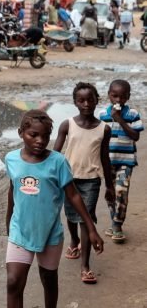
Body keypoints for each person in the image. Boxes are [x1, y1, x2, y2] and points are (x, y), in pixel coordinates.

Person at [0, 110, 104, 308]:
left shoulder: (58, 162)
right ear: (21, 134)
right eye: (33, 135)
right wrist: (9, 222)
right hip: (20, 231)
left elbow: (72, 195)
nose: (39, 140)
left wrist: (90, 227)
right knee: (14, 281)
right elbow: (12, 189)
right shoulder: (11, 159)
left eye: (45, 136)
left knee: (49, 279)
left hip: (50, 233)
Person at [54, 83, 115, 284]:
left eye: (90, 99)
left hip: (91, 181)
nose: (86, 104)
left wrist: (110, 186)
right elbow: (55, 155)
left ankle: (85, 266)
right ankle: (74, 241)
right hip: (68, 180)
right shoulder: (67, 124)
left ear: (97, 100)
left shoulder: (103, 129)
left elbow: (105, 158)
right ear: (75, 102)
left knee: (85, 218)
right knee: (71, 216)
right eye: (81, 100)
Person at [98, 80, 143, 244]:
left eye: (122, 96)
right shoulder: (103, 114)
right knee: (110, 192)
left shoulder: (132, 114)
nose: (118, 100)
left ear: (128, 97)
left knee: (121, 192)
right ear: (109, 94)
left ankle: (117, 225)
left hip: (126, 162)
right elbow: (99, 138)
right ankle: (113, 220)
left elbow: (135, 136)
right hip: (107, 162)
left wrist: (120, 120)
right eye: (114, 95)